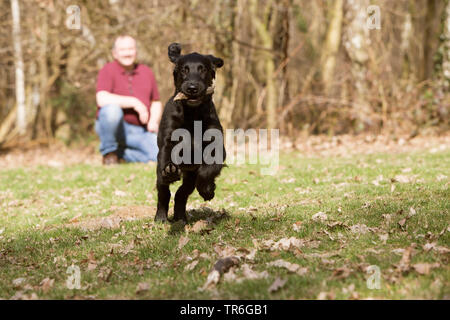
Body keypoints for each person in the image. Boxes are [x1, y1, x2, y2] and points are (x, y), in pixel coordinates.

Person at [95, 35, 162, 165]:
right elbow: (101, 99)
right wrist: (135, 102)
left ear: (136, 51)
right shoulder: (107, 70)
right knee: (112, 110)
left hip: (139, 131)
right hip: (116, 128)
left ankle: (121, 154)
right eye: (123, 50)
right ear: (115, 53)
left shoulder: (146, 71)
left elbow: (156, 101)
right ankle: (109, 154)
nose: (127, 53)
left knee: (162, 155)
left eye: (130, 49)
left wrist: (153, 121)